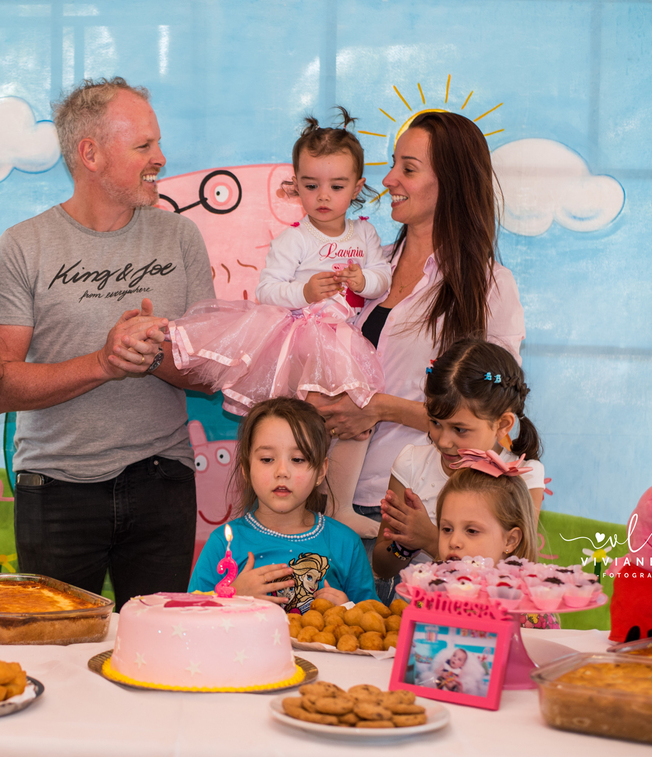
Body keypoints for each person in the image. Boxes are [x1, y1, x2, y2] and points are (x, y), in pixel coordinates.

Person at [0, 77, 214, 609]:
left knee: (160, 650)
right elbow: (1, 385)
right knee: (55, 652)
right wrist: (104, 363)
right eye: (143, 146)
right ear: (90, 153)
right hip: (55, 487)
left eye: (156, 143)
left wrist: (153, 356)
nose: (161, 157)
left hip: (163, 479)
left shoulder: (181, 238)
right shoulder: (24, 245)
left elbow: (207, 375)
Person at [168, 110, 388, 536]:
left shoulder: (364, 235)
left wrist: (366, 279)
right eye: (310, 185)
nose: (323, 196)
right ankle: (283, 511)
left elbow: (383, 279)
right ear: (296, 185)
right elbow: (269, 289)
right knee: (300, 425)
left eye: (337, 186)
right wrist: (304, 294)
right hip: (302, 339)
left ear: (358, 188)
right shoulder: (296, 238)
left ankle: (338, 505)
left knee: (355, 418)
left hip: (344, 341)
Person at [313, 111, 526, 546]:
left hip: (418, 511)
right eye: (392, 164)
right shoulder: (366, 266)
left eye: (408, 169)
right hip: (321, 496)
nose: (389, 179)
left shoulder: (488, 287)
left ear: (452, 182)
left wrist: (381, 408)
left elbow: (501, 417)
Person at [372, 338, 545, 592]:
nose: (443, 441)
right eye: (435, 422)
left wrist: (430, 539)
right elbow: (382, 567)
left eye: (460, 429)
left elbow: (516, 575)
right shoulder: (411, 463)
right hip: (414, 613)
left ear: (503, 425)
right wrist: (404, 545)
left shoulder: (523, 475)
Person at [188, 397, 377, 612]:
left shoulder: (345, 543)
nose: (282, 472)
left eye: (297, 459)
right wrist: (232, 596)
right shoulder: (224, 543)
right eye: (267, 459)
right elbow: (191, 616)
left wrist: (347, 609)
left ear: (321, 471)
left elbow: (374, 625)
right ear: (246, 468)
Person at [435, 450, 558, 628]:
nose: (454, 541)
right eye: (447, 529)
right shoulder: (431, 594)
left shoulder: (529, 612)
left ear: (510, 540)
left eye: (471, 531)